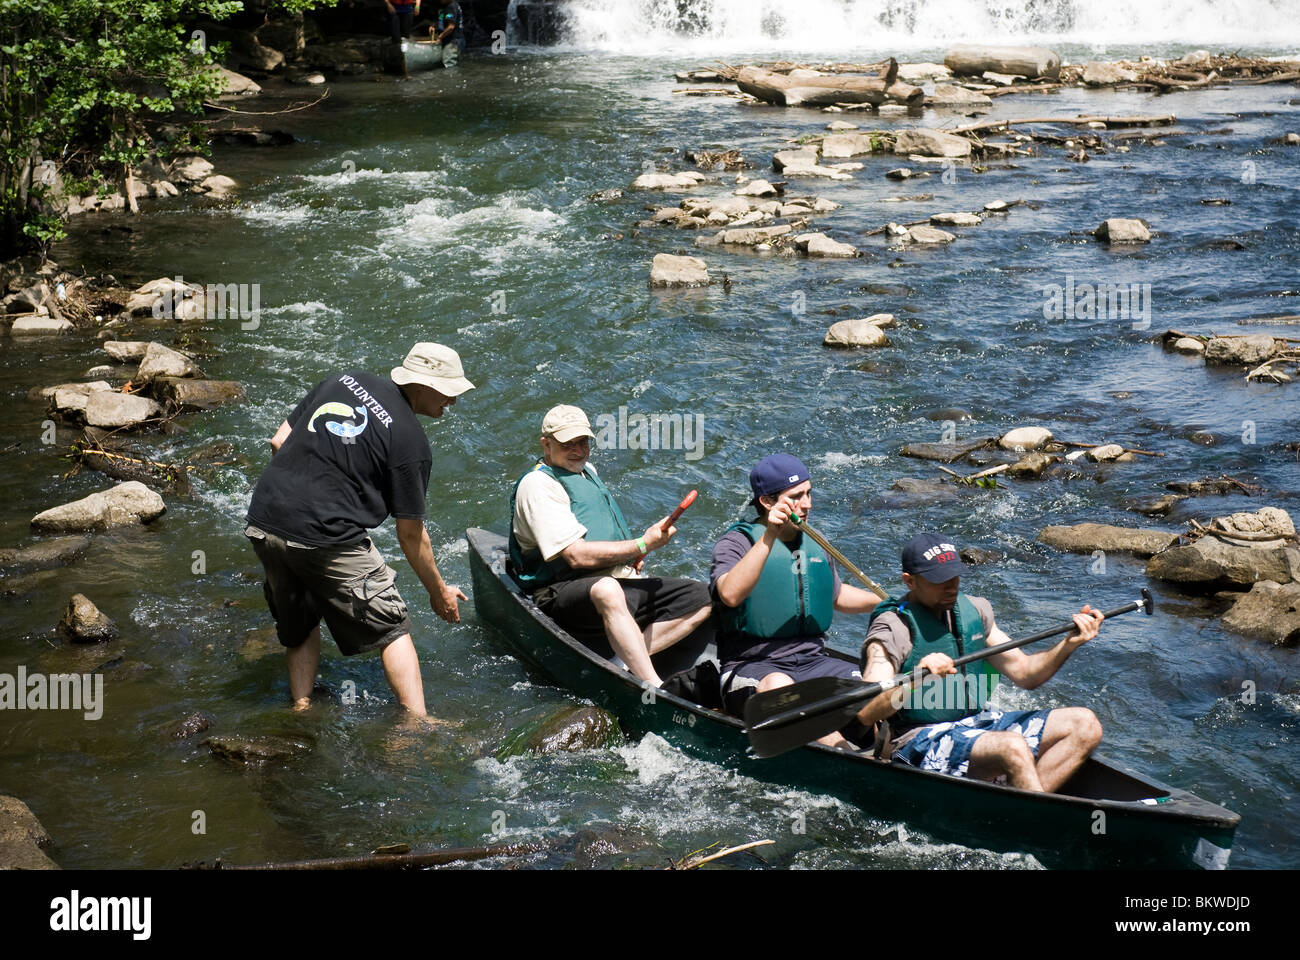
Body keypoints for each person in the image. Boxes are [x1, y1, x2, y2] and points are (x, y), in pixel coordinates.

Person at [244, 342, 474, 717]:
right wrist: (439, 592)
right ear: (424, 385)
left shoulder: (344, 380)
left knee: (299, 620)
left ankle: (301, 705)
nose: (453, 401)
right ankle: (417, 723)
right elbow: (411, 535)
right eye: (449, 391)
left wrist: (306, 491)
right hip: (325, 534)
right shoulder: (411, 442)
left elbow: (279, 440)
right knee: (392, 627)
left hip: (265, 518)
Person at [855, 533, 1105, 791]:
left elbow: (1027, 674)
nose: (951, 586)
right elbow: (865, 712)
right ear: (910, 581)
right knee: (1012, 748)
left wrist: (1069, 644)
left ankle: (1020, 808)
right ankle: (1033, 818)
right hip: (915, 740)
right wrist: (916, 678)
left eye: (955, 575)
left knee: (1085, 724)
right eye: (939, 579)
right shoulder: (890, 629)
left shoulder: (974, 611)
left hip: (975, 723)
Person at [508, 404, 712, 687]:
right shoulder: (537, 485)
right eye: (569, 444)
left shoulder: (586, 471)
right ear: (546, 443)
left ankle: (624, 659)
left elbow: (601, 524)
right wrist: (642, 544)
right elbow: (576, 557)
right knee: (607, 590)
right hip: (560, 592)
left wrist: (632, 555)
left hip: (614, 581)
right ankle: (652, 686)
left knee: (702, 596)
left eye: (583, 442)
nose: (578, 450)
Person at [710, 454, 882, 748]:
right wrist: (769, 537)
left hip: (813, 662)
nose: (808, 504)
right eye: (797, 496)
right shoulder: (736, 543)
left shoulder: (815, 543)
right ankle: (843, 753)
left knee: (874, 691)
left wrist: (884, 603)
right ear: (767, 502)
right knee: (782, 690)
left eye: (809, 493)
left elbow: (837, 595)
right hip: (753, 667)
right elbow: (730, 594)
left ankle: (888, 754)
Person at [429, 0, 465, 68]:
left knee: (449, 65)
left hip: (454, 40)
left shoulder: (451, 7)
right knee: (447, 62)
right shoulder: (444, 6)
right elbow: (442, 18)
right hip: (449, 40)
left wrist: (440, 37)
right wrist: (434, 26)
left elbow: (451, 27)